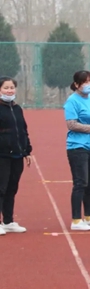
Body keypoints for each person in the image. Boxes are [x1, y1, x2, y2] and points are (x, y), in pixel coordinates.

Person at [64, 70, 90, 231]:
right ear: (76, 84)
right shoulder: (72, 101)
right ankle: (76, 220)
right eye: (85, 82)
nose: (89, 85)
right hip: (77, 146)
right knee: (80, 182)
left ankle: (88, 216)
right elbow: (71, 124)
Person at [0, 77, 32, 235]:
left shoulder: (17, 108)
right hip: (2, 155)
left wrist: (27, 151)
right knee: (1, 188)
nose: (9, 90)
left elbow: (23, 130)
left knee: (12, 188)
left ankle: (8, 221)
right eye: (6, 88)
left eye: (12, 87)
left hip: (17, 155)